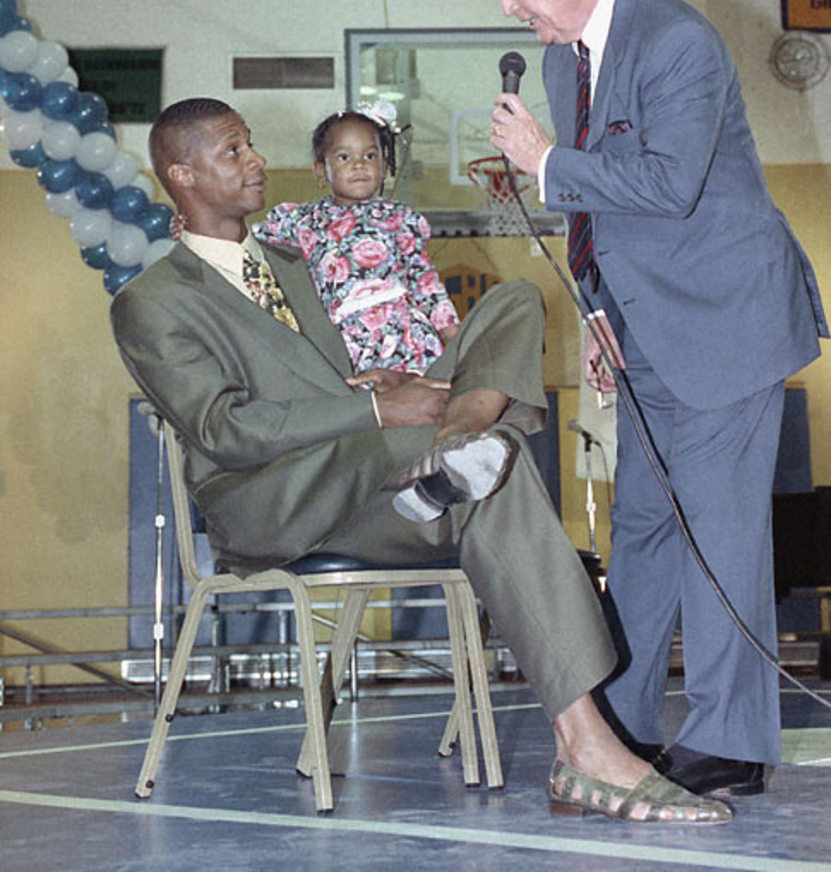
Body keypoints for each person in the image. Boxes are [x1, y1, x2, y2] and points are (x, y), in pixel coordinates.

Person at [110, 96, 730, 824]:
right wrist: (378, 409)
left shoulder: (287, 261)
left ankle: (459, 442)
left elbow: (324, 370)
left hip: (376, 473)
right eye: (233, 151)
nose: (255, 162)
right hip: (276, 500)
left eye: (250, 145)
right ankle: (585, 748)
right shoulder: (151, 300)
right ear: (180, 174)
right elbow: (223, 428)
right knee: (492, 471)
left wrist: (383, 384)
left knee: (514, 303)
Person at [475, 0, 828, 799]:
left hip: (724, 321)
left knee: (719, 535)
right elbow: (596, 210)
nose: (507, 6)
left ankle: (729, 740)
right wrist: (597, 311)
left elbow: (668, 185)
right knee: (640, 530)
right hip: (642, 326)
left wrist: (542, 161)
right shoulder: (562, 64)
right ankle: (621, 725)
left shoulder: (675, 40)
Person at [253, 104, 460, 375]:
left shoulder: (399, 218)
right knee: (368, 409)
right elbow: (242, 237)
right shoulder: (301, 220)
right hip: (341, 344)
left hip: (405, 336)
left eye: (370, 155)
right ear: (320, 170)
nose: (359, 164)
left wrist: (454, 338)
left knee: (424, 401)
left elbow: (425, 282)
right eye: (343, 157)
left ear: (384, 166)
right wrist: (193, 226)